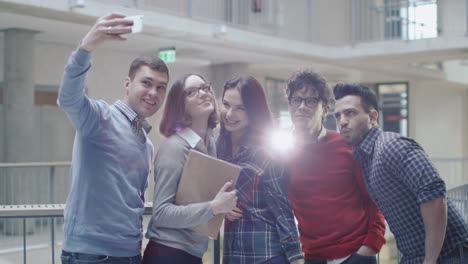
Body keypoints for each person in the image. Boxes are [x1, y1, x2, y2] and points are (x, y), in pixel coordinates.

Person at [57, 13, 169, 264]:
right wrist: (86, 47)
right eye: (147, 83)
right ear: (128, 84)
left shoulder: (146, 143)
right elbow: (68, 98)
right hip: (92, 255)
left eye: (161, 87)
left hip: (129, 252)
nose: (153, 93)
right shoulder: (100, 118)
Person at [333, 83, 468, 264]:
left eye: (350, 113)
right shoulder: (365, 157)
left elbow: (434, 195)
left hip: (449, 255)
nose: (342, 121)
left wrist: (430, 259)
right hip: (415, 256)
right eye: (338, 115)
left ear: (372, 117)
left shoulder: (391, 145)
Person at [284, 70, 386, 264]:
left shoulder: (348, 145)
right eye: (296, 100)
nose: (302, 107)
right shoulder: (281, 155)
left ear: (325, 108)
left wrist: (370, 246)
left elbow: (374, 199)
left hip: (356, 254)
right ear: (289, 106)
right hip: (314, 257)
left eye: (311, 101)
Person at [143, 74, 237, 264]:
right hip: (167, 253)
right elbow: (161, 214)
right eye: (192, 92)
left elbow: (199, 200)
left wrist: (223, 207)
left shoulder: (210, 144)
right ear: (180, 105)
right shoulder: (175, 147)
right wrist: (213, 207)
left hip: (193, 254)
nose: (203, 93)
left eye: (205, 87)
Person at [217, 76, 303, 264]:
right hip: (234, 256)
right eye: (226, 104)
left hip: (266, 255)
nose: (230, 114)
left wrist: (295, 257)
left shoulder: (266, 150)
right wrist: (219, 207)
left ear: (253, 111)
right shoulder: (219, 146)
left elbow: (282, 208)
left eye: (240, 108)